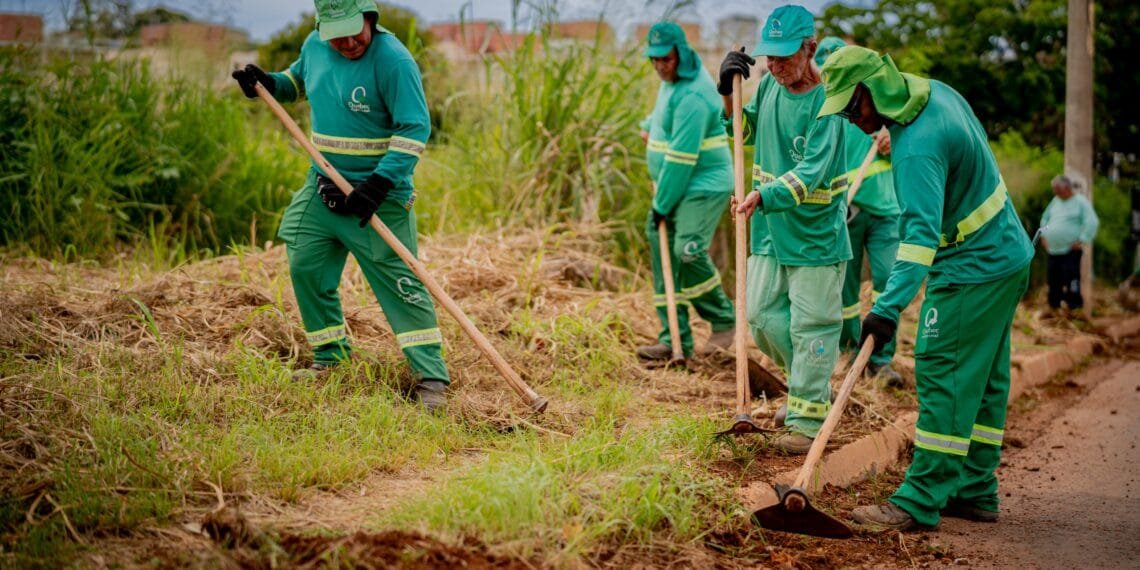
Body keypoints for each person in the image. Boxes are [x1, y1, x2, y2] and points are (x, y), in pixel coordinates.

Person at [818, 46, 1034, 530]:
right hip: (1005, 252)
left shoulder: (915, 148)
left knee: (943, 370)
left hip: (972, 266)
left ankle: (920, 498)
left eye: (852, 107)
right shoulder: (935, 92)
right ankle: (975, 489)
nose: (852, 121)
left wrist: (886, 309)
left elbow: (917, 242)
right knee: (983, 382)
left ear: (874, 91)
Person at [231, 0, 449, 411]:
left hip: (377, 197)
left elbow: (415, 129)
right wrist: (267, 83)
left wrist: (377, 186)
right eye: (337, 35)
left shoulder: (395, 61)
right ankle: (331, 358)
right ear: (320, 28)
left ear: (371, 17)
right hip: (324, 187)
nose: (349, 42)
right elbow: (296, 83)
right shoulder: (315, 45)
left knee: (401, 284)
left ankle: (431, 378)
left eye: (356, 30)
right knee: (305, 262)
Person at [718, 5, 851, 454]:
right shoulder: (771, 90)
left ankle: (808, 420)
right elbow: (744, 128)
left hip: (815, 236)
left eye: (784, 56)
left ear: (809, 48)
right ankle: (810, 391)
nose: (774, 66)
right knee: (759, 316)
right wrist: (727, 94)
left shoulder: (828, 103)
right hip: (772, 232)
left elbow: (813, 170)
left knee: (812, 326)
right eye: (768, 57)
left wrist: (764, 197)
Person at [636, 21, 737, 362]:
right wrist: (648, 127)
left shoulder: (694, 93)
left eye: (665, 59)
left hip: (703, 184)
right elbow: (662, 117)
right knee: (661, 247)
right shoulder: (671, 83)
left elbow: (681, 160)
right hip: (675, 183)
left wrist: (662, 205)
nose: (659, 66)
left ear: (680, 53)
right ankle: (673, 339)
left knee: (686, 251)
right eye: (654, 60)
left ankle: (724, 319)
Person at [815, 37, 903, 386]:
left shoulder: (880, 101)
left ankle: (880, 360)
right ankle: (851, 353)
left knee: (887, 281)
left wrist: (891, 136)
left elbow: (908, 134)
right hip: (843, 209)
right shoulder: (826, 110)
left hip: (885, 207)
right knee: (844, 291)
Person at [1039, 174, 1099, 316]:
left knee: (1071, 279)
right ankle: (1053, 308)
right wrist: (1043, 236)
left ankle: (1074, 310)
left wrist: (1083, 239)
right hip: (1053, 250)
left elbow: (1092, 221)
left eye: (1056, 189)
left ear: (1066, 188)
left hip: (1070, 250)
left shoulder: (1080, 202)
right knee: (1053, 280)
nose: (1055, 192)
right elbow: (1045, 218)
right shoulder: (1055, 201)